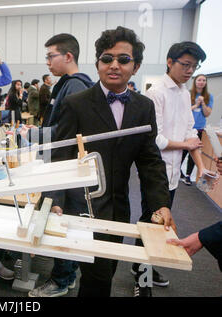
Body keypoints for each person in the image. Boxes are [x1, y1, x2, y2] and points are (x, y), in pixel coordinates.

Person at [42, 26, 173, 298]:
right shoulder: (76, 103)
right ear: (98, 63)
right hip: (84, 204)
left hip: (119, 203)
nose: (114, 65)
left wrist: (161, 202)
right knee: (97, 276)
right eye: (107, 58)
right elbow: (60, 156)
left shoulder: (143, 107)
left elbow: (149, 160)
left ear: (135, 67)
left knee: (107, 269)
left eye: (123, 60)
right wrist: (53, 200)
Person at [133, 42, 207, 290]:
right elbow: (157, 139)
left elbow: (190, 133)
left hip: (174, 173)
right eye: (185, 65)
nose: (189, 71)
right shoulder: (156, 93)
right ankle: (141, 277)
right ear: (169, 62)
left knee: (159, 223)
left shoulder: (185, 93)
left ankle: (141, 265)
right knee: (152, 221)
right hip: (156, 172)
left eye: (193, 67)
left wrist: (200, 167)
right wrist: (185, 145)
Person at [27, 33, 94, 298]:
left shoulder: (75, 87)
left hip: (64, 167)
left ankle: (61, 280)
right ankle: (67, 275)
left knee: (61, 221)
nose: (47, 62)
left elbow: (64, 136)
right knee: (66, 220)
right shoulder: (67, 85)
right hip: (63, 165)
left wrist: (32, 135)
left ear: (68, 56)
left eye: (50, 55)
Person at [180, 74, 213, 185]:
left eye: (204, 80)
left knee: (194, 153)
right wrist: (196, 104)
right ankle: (177, 171)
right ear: (195, 81)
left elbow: (207, 113)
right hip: (186, 128)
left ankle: (188, 176)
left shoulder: (209, 96)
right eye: (199, 80)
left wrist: (203, 103)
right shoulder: (187, 94)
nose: (201, 82)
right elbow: (183, 111)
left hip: (199, 129)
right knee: (183, 151)